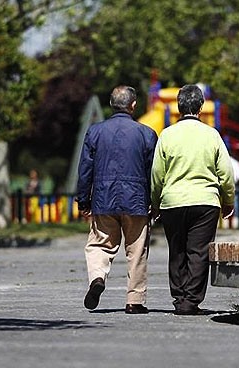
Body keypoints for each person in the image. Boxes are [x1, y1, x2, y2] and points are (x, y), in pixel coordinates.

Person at [151, 84, 235, 315]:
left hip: (173, 202)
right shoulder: (212, 135)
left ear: (178, 108)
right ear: (200, 106)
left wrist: (155, 202)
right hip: (205, 202)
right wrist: (228, 200)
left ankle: (179, 298)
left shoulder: (167, 135)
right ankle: (191, 301)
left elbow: (157, 174)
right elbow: (226, 174)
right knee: (199, 252)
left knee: (176, 250)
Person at [75, 85, 158, 314]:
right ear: (133, 105)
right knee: (137, 251)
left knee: (100, 244)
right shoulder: (147, 133)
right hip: (136, 201)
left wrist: (83, 200)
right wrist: (154, 201)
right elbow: (153, 171)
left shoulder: (95, 132)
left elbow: (85, 169)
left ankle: (97, 278)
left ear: (112, 105)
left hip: (103, 198)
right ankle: (135, 300)